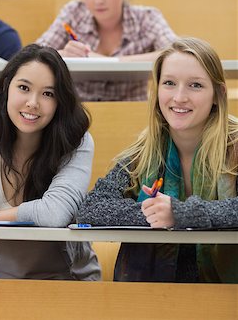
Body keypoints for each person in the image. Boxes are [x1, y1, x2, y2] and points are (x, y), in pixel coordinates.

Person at [78, 37, 238, 283]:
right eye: (169, 83)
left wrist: (181, 214)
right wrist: (155, 213)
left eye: (195, 85)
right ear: (157, 90)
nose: (179, 97)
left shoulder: (234, 144)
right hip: (153, 296)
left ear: (218, 94)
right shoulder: (143, 151)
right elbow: (91, 208)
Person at [0, 44, 100, 280]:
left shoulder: (76, 144)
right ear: (6, 88)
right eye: (24, 88)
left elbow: (53, 214)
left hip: (66, 288)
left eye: (48, 94)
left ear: (59, 102)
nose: (33, 102)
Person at [36, 0, 177, 101]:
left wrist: (109, 62)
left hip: (132, 113)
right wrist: (59, 56)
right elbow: (33, 56)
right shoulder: (73, 12)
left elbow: (177, 55)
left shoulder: (147, 17)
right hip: (77, 115)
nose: (98, 1)